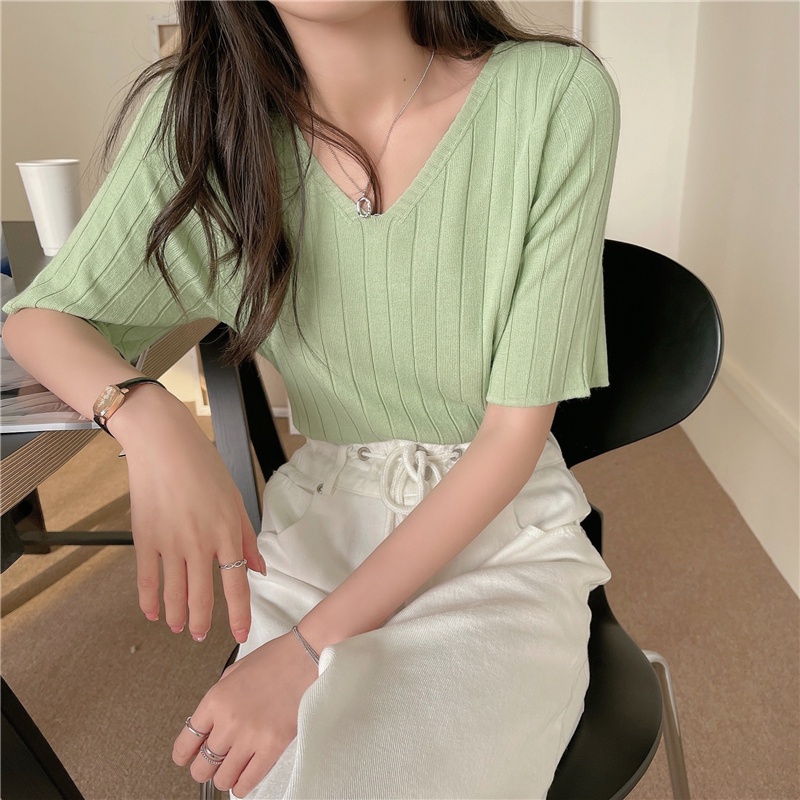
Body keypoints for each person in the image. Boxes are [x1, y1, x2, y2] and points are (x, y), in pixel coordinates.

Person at [2, 1, 621, 797]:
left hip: (498, 532)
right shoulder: (206, 117)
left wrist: (304, 652)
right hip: (326, 522)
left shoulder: (555, 94)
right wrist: (147, 417)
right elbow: (39, 318)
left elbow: (509, 441)